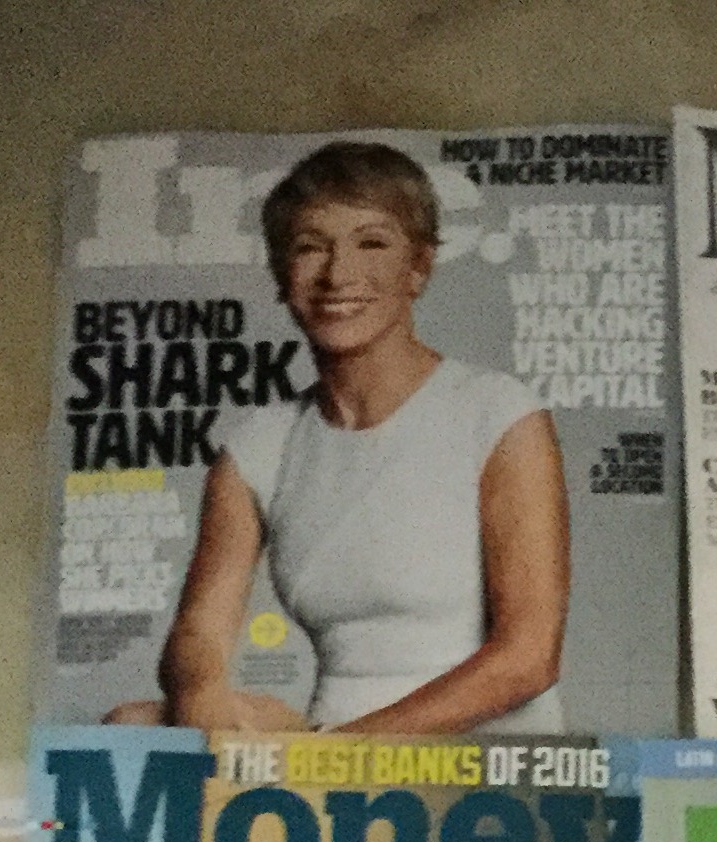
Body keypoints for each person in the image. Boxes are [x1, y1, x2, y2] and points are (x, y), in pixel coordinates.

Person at [120, 141, 570, 735]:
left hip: (473, 750)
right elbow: (198, 636)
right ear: (281, 274)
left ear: (419, 267)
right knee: (130, 724)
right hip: (333, 744)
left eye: (372, 243)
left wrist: (335, 758)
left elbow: (527, 660)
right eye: (311, 247)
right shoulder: (260, 446)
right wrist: (202, 696)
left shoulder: (498, 413)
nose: (338, 275)